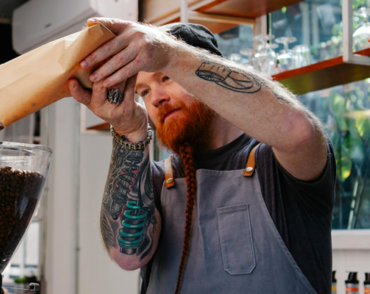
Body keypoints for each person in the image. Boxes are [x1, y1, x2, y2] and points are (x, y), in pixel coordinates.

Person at [68, 18, 335, 294]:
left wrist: (169, 54)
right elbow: (127, 255)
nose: (155, 98)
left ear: (211, 77)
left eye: (166, 77)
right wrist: (129, 132)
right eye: (144, 91)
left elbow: (299, 131)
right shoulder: (158, 180)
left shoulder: (278, 166)